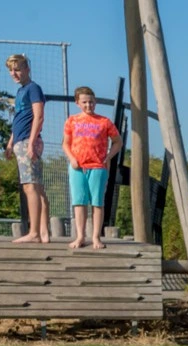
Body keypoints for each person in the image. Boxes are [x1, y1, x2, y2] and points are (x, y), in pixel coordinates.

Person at [61, 86, 121, 250]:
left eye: (91, 102)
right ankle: (80, 236)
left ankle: (96, 237)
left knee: (97, 202)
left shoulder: (104, 122)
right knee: (79, 202)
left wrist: (108, 157)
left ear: (96, 102)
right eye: (85, 102)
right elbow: (65, 144)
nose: (88, 105)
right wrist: (72, 158)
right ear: (78, 103)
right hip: (77, 167)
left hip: (98, 166)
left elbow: (118, 141)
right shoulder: (72, 121)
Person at [4, 53, 49, 244]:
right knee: (36, 187)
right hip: (20, 140)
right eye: (11, 70)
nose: (14, 73)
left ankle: (34, 232)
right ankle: (44, 232)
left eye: (18, 69)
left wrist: (31, 142)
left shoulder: (33, 88)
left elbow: (38, 116)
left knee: (30, 187)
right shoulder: (20, 91)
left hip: (28, 141)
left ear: (27, 69)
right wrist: (10, 142)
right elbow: (19, 119)